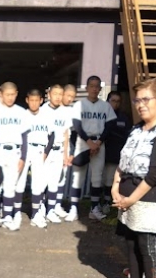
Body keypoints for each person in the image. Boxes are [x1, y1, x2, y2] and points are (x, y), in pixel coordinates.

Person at [112, 78, 156, 278]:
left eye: (146, 99)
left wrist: (130, 199)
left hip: (151, 199)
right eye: (137, 100)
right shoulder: (136, 128)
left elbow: (154, 174)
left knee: (147, 248)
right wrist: (115, 186)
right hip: (128, 197)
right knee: (131, 244)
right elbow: (123, 160)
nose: (140, 104)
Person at [66, 75, 116, 222]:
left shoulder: (105, 106)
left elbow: (110, 126)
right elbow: (76, 125)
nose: (94, 89)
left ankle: (94, 209)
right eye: (91, 86)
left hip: (99, 142)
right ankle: (73, 208)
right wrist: (89, 142)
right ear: (87, 88)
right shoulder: (79, 105)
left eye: (97, 86)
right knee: (78, 176)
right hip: (83, 142)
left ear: (100, 88)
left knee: (97, 177)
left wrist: (98, 142)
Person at [0, 82, 29, 231]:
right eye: (7, 94)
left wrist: (23, 157)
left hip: (15, 153)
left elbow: (24, 137)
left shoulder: (21, 112)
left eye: (13, 94)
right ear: (1, 94)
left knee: (10, 187)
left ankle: (7, 217)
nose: (10, 97)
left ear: (16, 94)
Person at [14, 88, 52, 228]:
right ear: (27, 100)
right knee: (20, 182)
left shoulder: (46, 116)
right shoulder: (22, 115)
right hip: (24, 150)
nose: (34, 103)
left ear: (41, 100)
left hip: (40, 150)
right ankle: (16, 213)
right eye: (31, 100)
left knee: (38, 184)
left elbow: (52, 135)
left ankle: (36, 214)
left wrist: (46, 152)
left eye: (37, 100)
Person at [41, 84, 71, 223]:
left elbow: (66, 133)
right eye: (55, 94)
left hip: (59, 150)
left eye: (60, 94)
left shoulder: (64, 112)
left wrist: (65, 154)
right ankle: (40, 209)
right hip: (46, 151)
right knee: (43, 182)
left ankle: (51, 210)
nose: (58, 97)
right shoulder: (43, 111)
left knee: (54, 183)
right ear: (49, 95)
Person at [102, 90, 132, 212]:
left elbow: (127, 136)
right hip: (100, 151)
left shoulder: (123, 118)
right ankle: (95, 204)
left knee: (110, 180)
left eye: (118, 101)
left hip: (115, 154)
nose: (115, 103)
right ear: (107, 101)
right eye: (113, 101)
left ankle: (107, 203)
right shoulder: (101, 115)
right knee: (98, 180)